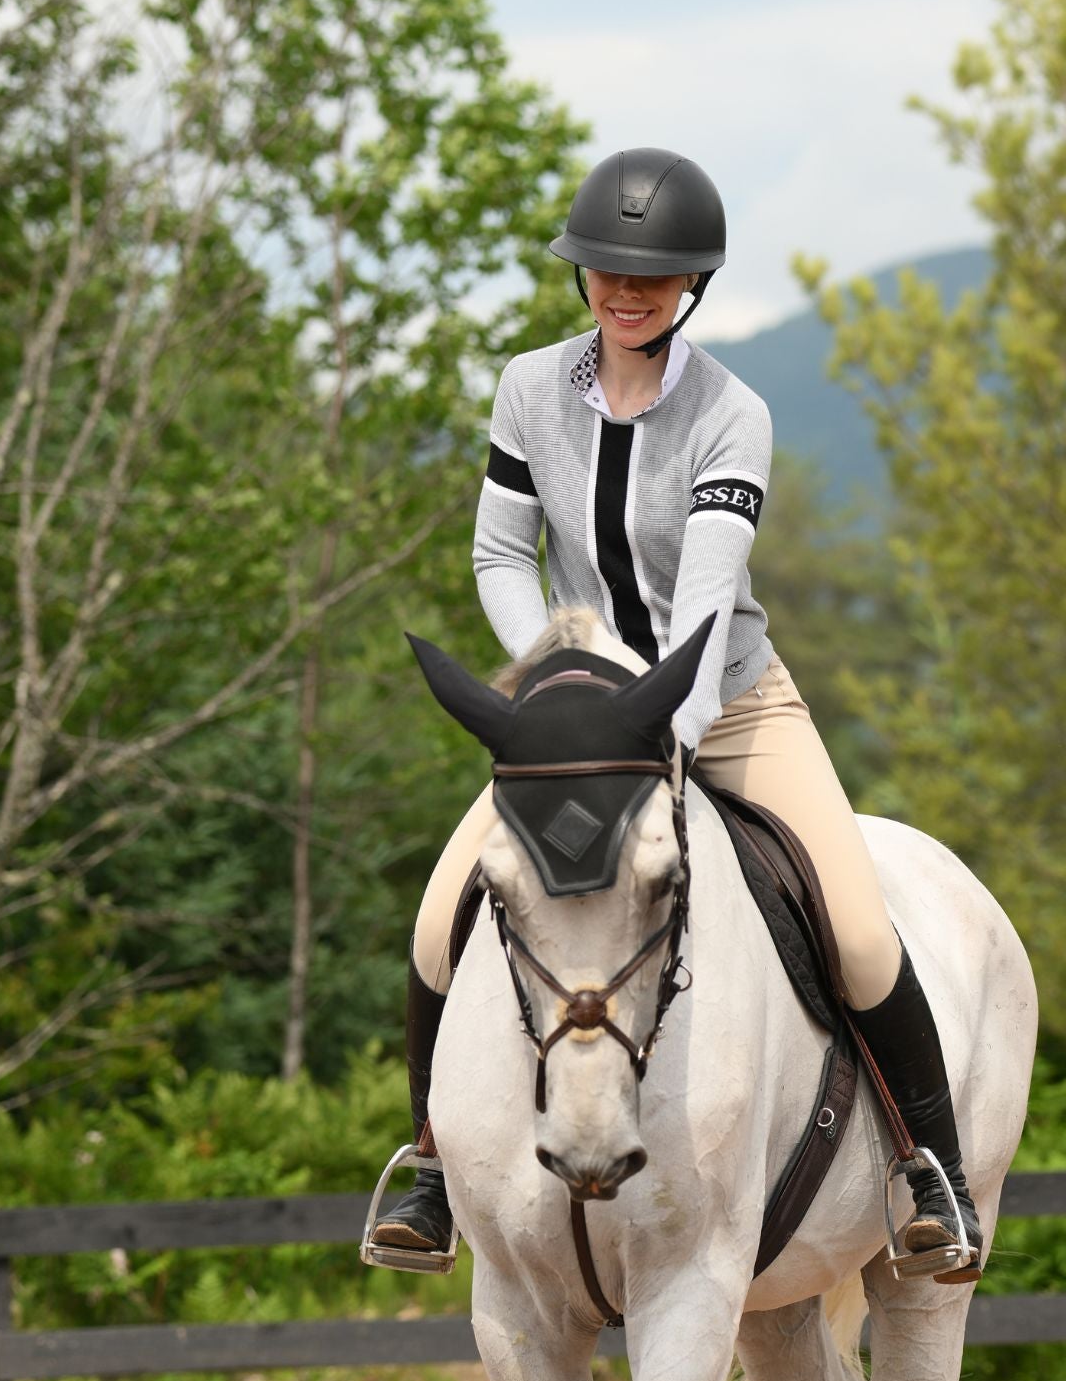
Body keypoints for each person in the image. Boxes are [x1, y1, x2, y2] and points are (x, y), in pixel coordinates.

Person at [369, 147, 979, 1271]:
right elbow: (501, 553)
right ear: (582, 274)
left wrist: (671, 739)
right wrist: (562, 672)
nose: (626, 288)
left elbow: (701, 605)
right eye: (606, 268)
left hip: (731, 704)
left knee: (851, 924)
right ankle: (431, 1170)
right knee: (436, 919)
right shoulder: (525, 386)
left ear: (691, 286)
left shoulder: (730, 413)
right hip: (574, 725)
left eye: (652, 276)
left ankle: (926, 1166)